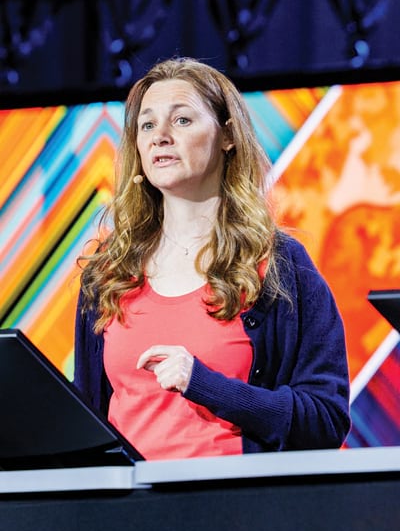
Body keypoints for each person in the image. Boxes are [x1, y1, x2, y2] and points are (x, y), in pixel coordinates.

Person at [73, 56, 351, 461]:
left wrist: (206, 384)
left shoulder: (279, 266)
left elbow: (324, 420)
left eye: (182, 120)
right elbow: (87, 423)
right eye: (147, 124)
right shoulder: (108, 272)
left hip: (235, 510)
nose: (160, 136)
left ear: (227, 136)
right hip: (127, 515)